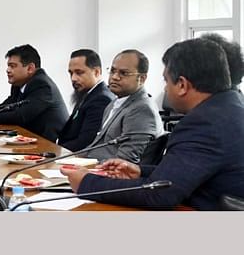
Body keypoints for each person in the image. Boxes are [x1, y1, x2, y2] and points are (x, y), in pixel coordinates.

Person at [61, 39, 244, 210]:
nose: (164, 89)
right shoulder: (232, 107)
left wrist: (86, 183)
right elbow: (184, 172)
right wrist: (140, 171)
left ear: (182, 85)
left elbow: (159, 194)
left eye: (166, 80)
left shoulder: (202, 125)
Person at [0, 44, 68, 142]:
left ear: (30, 68)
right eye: (8, 66)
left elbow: (21, 115)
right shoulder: (19, 83)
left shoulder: (42, 85)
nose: (7, 70)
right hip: (28, 139)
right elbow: (8, 106)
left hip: (47, 144)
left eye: (13, 66)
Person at [79, 49, 163, 163]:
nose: (114, 77)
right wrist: (70, 160)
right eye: (113, 71)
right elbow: (97, 145)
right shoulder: (113, 103)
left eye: (123, 73)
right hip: (92, 164)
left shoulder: (142, 109)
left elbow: (125, 161)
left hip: (107, 173)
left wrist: (84, 169)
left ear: (142, 78)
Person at [57, 49, 114, 151]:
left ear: (96, 72)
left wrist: (56, 151)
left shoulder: (101, 99)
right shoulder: (86, 92)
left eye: (79, 73)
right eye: (71, 73)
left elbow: (86, 141)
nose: (73, 78)